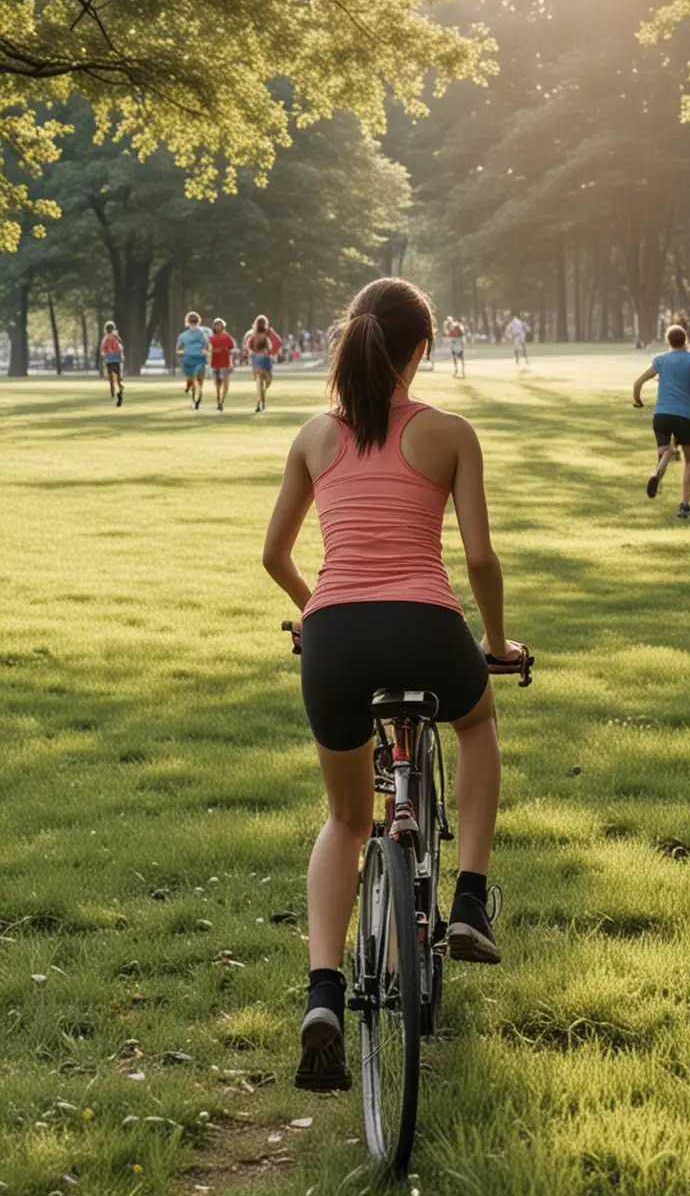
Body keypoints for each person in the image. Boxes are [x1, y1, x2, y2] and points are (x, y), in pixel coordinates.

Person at [261, 277, 525, 1094]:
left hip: (335, 640)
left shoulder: (313, 436)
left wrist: (320, 614)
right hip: (426, 629)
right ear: (424, 348)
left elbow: (274, 555)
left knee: (346, 817)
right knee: (475, 727)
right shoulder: (449, 433)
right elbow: (478, 557)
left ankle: (325, 996)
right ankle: (471, 899)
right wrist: (494, 639)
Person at [632, 323, 690, 518]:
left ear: (667, 340)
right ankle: (684, 506)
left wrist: (637, 400)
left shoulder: (660, 360)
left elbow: (638, 382)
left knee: (665, 451)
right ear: (685, 340)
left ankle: (658, 471)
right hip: (685, 415)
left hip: (661, 415)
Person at [247, 314, 281, 412]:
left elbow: (248, 345)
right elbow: (277, 342)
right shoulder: (258, 333)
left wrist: (271, 353)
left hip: (260, 359)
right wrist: (272, 353)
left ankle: (261, 401)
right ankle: (260, 402)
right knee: (264, 382)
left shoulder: (261, 332)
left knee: (261, 383)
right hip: (262, 359)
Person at [177, 311, 210, 409]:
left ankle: (193, 396)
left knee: (191, 379)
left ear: (187, 321)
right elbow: (206, 345)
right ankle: (197, 398)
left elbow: (178, 348)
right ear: (198, 321)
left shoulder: (183, 335)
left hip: (189, 358)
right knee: (199, 380)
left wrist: (181, 354)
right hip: (199, 358)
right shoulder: (203, 334)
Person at [208, 318, 238, 412]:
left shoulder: (227, 337)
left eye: (220, 325)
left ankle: (221, 402)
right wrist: (215, 351)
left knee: (226, 385)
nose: (218, 327)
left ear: (223, 326)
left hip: (225, 363)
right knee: (217, 384)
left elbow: (232, 349)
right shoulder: (211, 338)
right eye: (216, 325)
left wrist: (232, 360)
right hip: (215, 363)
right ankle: (218, 400)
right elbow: (209, 350)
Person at [101, 321, 124, 407]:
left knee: (111, 379)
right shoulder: (116, 337)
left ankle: (113, 395)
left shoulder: (106, 338)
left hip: (109, 361)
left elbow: (103, 349)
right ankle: (120, 392)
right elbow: (120, 347)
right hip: (116, 360)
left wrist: (107, 352)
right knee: (118, 380)